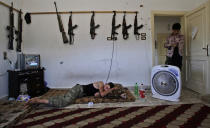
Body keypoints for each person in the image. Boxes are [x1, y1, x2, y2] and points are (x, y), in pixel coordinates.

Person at [26, 81, 117, 108]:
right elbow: (103, 94)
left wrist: (99, 94)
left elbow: (100, 95)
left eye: (108, 89)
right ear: (106, 84)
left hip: (79, 94)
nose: (106, 88)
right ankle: (39, 100)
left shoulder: (101, 91)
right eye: (107, 87)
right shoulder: (101, 83)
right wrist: (112, 89)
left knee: (63, 97)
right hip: (78, 89)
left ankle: (38, 102)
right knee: (65, 102)